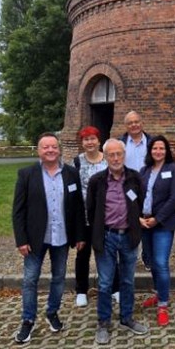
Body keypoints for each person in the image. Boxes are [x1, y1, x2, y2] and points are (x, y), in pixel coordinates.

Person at [12, 132, 86, 344]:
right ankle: (28, 320)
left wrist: (80, 235)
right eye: (46, 147)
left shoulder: (71, 174)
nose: (50, 150)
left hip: (62, 237)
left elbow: (78, 208)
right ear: (39, 150)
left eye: (54, 146)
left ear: (59, 149)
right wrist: (21, 239)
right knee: (30, 280)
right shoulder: (27, 174)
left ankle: (52, 312)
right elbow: (18, 211)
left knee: (59, 278)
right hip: (35, 239)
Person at [87, 138, 149, 344]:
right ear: (105, 157)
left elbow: (139, 203)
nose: (115, 158)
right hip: (106, 237)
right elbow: (91, 210)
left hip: (129, 236)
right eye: (111, 154)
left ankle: (127, 317)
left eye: (119, 154)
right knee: (105, 283)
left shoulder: (135, 178)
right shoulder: (97, 181)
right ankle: (103, 322)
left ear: (124, 155)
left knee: (128, 280)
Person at [72, 126, 119, 307]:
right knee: (83, 255)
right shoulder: (76, 162)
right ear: (82, 143)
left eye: (92, 139)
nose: (89, 142)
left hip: (106, 217)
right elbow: (73, 193)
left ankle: (114, 288)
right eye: (86, 139)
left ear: (99, 141)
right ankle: (81, 290)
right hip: (84, 218)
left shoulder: (108, 161)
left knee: (109, 254)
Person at [139, 135, 175, 326]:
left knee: (161, 262)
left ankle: (163, 304)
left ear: (167, 151)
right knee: (150, 261)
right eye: (155, 148)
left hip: (163, 223)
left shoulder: (174, 169)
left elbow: (174, 198)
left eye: (162, 148)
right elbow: (137, 195)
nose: (158, 151)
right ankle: (158, 293)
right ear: (150, 151)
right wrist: (139, 217)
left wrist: (157, 219)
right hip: (144, 222)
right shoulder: (144, 170)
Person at [120, 110, 152, 270]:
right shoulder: (121, 143)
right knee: (131, 220)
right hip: (129, 187)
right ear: (126, 126)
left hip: (149, 187)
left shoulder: (152, 142)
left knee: (147, 221)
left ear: (142, 123)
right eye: (130, 123)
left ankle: (147, 257)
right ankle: (129, 256)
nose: (134, 125)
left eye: (136, 121)